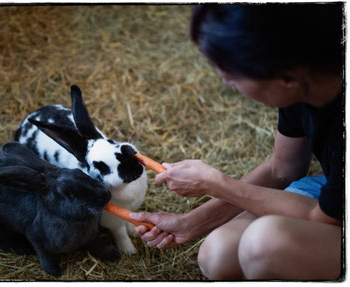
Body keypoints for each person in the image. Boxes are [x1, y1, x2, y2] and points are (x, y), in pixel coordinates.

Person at [129, 4, 344, 280]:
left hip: (328, 211)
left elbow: (322, 217)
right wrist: (189, 223)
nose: (226, 82)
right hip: (331, 192)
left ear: (287, 77)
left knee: (265, 245)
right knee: (217, 256)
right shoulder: (302, 85)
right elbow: (282, 169)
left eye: (232, 74)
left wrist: (218, 184)